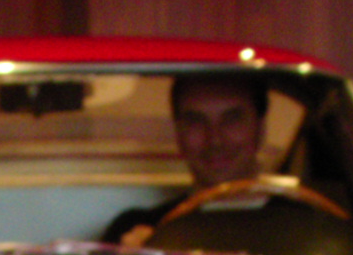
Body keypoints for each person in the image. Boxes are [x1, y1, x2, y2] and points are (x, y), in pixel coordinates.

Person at [102, 72, 268, 245]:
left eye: (231, 120)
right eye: (196, 122)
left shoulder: (297, 219)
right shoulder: (134, 229)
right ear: (179, 135)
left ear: (261, 129)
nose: (215, 140)